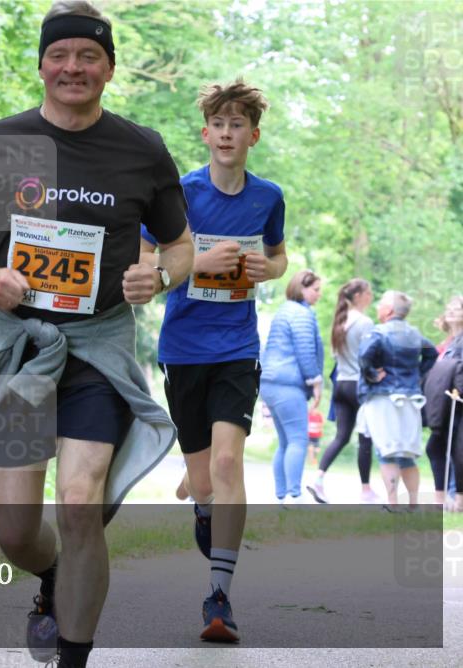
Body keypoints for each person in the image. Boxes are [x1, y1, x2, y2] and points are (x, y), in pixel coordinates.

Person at [0, 2, 194, 665]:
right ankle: (51, 577)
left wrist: (158, 275)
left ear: (108, 67)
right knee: (17, 533)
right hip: (21, 353)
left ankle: (74, 656)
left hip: (97, 352)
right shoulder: (5, 141)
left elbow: (182, 244)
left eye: (88, 56)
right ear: (42, 65)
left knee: (79, 505)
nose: (73, 67)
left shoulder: (140, 149)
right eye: (60, 55)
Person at [141, 79, 288, 642]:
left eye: (237, 126)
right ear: (206, 134)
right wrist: (201, 259)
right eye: (218, 125)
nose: (227, 134)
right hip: (183, 349)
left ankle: (219, 597)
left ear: (253, 135)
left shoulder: (268, 197)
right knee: (205, 481)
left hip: (236, 347)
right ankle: (201, 500)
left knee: (229, 466)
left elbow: (278, 257)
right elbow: (150, 256)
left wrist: (267, 271)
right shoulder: (180, 192)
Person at [357, 291, 438, 508]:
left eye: (381, 304)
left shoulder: (378, 333)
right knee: (407, 453)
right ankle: (413, 503)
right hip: (411, 399)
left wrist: (373, 375)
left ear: (389, 310)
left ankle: (392, 503)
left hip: (384, 398)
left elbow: (364, 357)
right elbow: (432, 354)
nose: (377, 307)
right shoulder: (415, 334)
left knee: (388, 452)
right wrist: (417, 375)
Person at [307, 278, 380, 504]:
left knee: (341, 436)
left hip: (341, 385)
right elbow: (368, 357)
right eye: (368, 293)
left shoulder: (340, 321)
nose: (371, 297)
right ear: (358, 296)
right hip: (359, 384)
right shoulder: (365, 322)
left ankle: (318, 480)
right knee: (364, 437)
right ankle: (366, 490)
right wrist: (376, 375)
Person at [260, 270, 325, 504]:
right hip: (288, 384)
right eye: (315, 289)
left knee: (285, 441)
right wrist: (315, 382)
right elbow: (306, 352)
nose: (318, 295)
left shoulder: (284, 310)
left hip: (270, 382)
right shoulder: (301, 314)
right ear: (302, 288)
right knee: (299, 439)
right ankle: (294, 495)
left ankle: (281, 495)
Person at [423, 295, 463, 511]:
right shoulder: (448, 343)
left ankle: (454, 499)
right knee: (437, 448)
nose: (451, 310)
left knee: (456, 450)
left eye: (457, 307)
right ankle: (443, 498)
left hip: (458, 403)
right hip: (444, 404)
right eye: (449, 307)